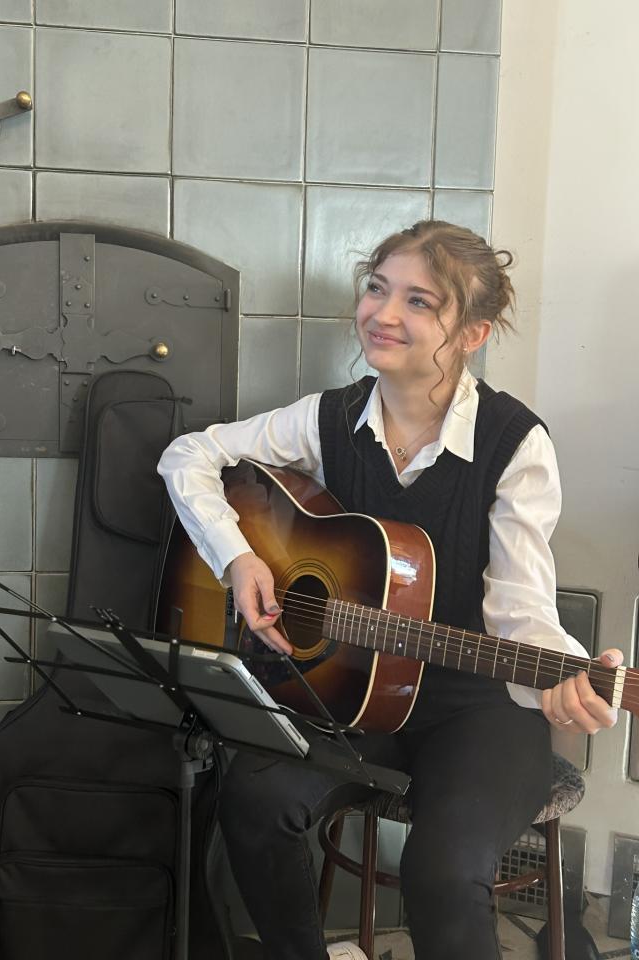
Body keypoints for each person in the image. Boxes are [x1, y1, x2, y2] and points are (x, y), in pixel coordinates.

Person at [158, 220, 620, 960]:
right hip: (348, 691)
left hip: (475, 706)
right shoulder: (329, 418)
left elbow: (520, 611)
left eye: (419, 301)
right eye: (377, 288)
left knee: (443, 874)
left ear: (472, 334)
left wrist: (566, 675)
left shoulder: (515, 443)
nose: (384, 313)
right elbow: (190, 455)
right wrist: (238, 558)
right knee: (253, 798)